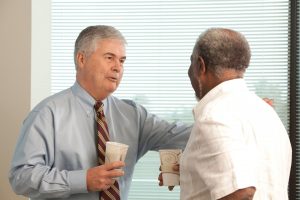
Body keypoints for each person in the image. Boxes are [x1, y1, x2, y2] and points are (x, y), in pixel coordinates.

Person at [9, 25, 191, 200]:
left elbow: (188, 136)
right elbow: (21, 178)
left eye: (122, 60)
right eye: (109, 57)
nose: (117, 67)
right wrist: (83, 180)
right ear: (82, 59)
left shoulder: (134, 116)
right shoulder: (47, 114)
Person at [179, 28, 292, 199]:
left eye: (191, 62)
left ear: (201, 65)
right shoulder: (267, 113)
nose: (189, 71)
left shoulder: (213, 117)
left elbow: (241, 191)